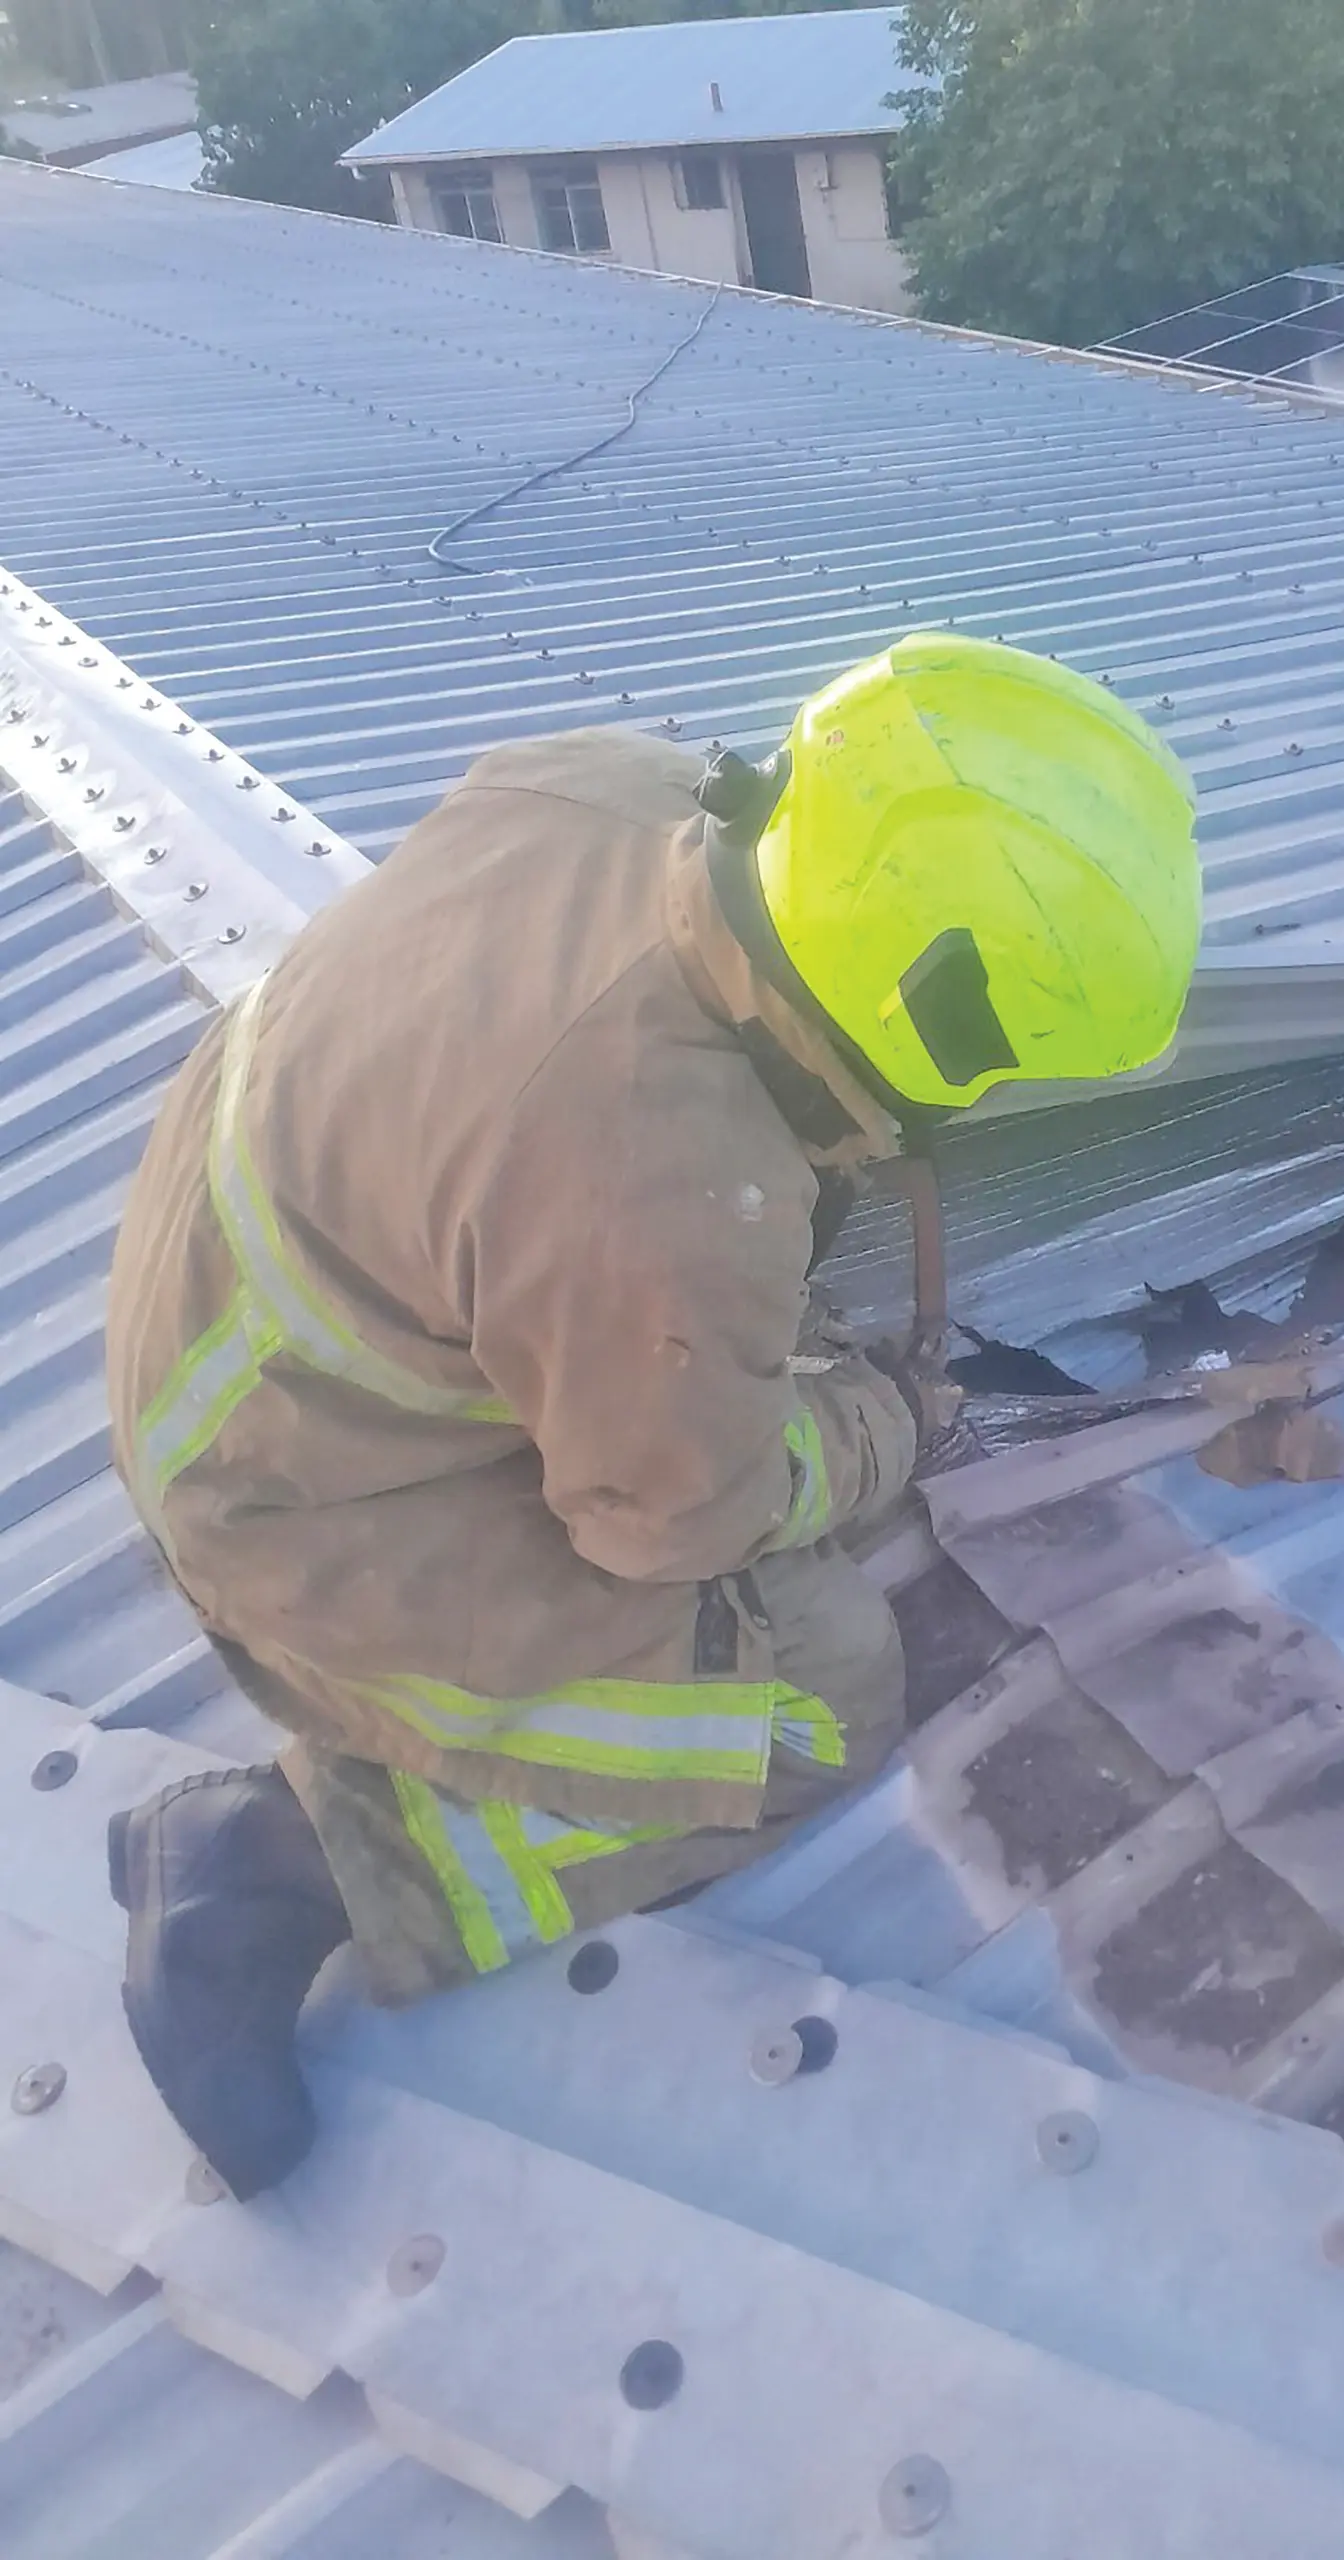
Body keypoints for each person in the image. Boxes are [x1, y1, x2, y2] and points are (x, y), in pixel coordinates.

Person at [103, 631, 1201, 2200]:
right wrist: (882, 1424)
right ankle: (272, 1872)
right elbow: (674, 1519)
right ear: (938, 1012)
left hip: (226, 1312)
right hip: (291, 1496)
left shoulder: (621, 791)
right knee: (815, 1693)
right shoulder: (664, 1182)